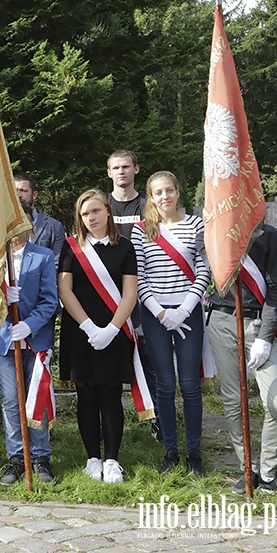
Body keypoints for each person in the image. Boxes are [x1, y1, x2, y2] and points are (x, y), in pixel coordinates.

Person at [131, 172, 210, 476]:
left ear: (178, 192)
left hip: (188, 311)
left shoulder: (195, 224)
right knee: (165, 384)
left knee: (190, 384)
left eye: (169, 191)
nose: (165, 197)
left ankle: (193, 452)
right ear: (150, 197)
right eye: (158, 193)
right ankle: (170, 451)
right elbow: (140, 278)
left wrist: (184, 309)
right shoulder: (142, 230)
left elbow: (203, 270)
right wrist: (163, 314)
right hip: (155, 315)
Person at [58, 190, 138, 484]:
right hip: (81, 331)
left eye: (95, 211)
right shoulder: (71, 248)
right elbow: (65, 290)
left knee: (111, 396)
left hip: (114, 330)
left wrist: (112, 329)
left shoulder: (124, 248)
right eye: (84, 214)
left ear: (107, 211)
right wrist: (89, 327)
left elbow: (130, 293)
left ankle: (113, 460)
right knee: (86, 395)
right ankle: (93, 458)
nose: (91, 218)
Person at [207, 223, 277, 494]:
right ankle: (250, 468)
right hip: (222, 321)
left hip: (260, 325)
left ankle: (269, 472)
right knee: (234, 401)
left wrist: (266, 337)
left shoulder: (269, 235)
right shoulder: (216, 230)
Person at [0, 203, 59, 485]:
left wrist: (29, 324)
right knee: (10, 401)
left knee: (37, 400)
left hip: (35, 339)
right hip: (5, 341)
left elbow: (50, 300)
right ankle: (17, 456)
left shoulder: (42, 257)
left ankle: (41, 456)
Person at [106, 149, 160, 443]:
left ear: (136, 169)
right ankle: (111, 425)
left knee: (150, 358)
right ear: (109, 173)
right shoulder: (102, 205)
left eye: (126, 166)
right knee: (111, 358)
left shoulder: (148, 205)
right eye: (116, 168)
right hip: (109, 293)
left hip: (145, 293)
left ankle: (158, 420)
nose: (122, 172)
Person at [14, 173, 65, 265]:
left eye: (23, 190)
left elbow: (57, 264)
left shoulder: (54, 226)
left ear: (34, 195)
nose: (18, 195)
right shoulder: (3, 226)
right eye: (14, 190)